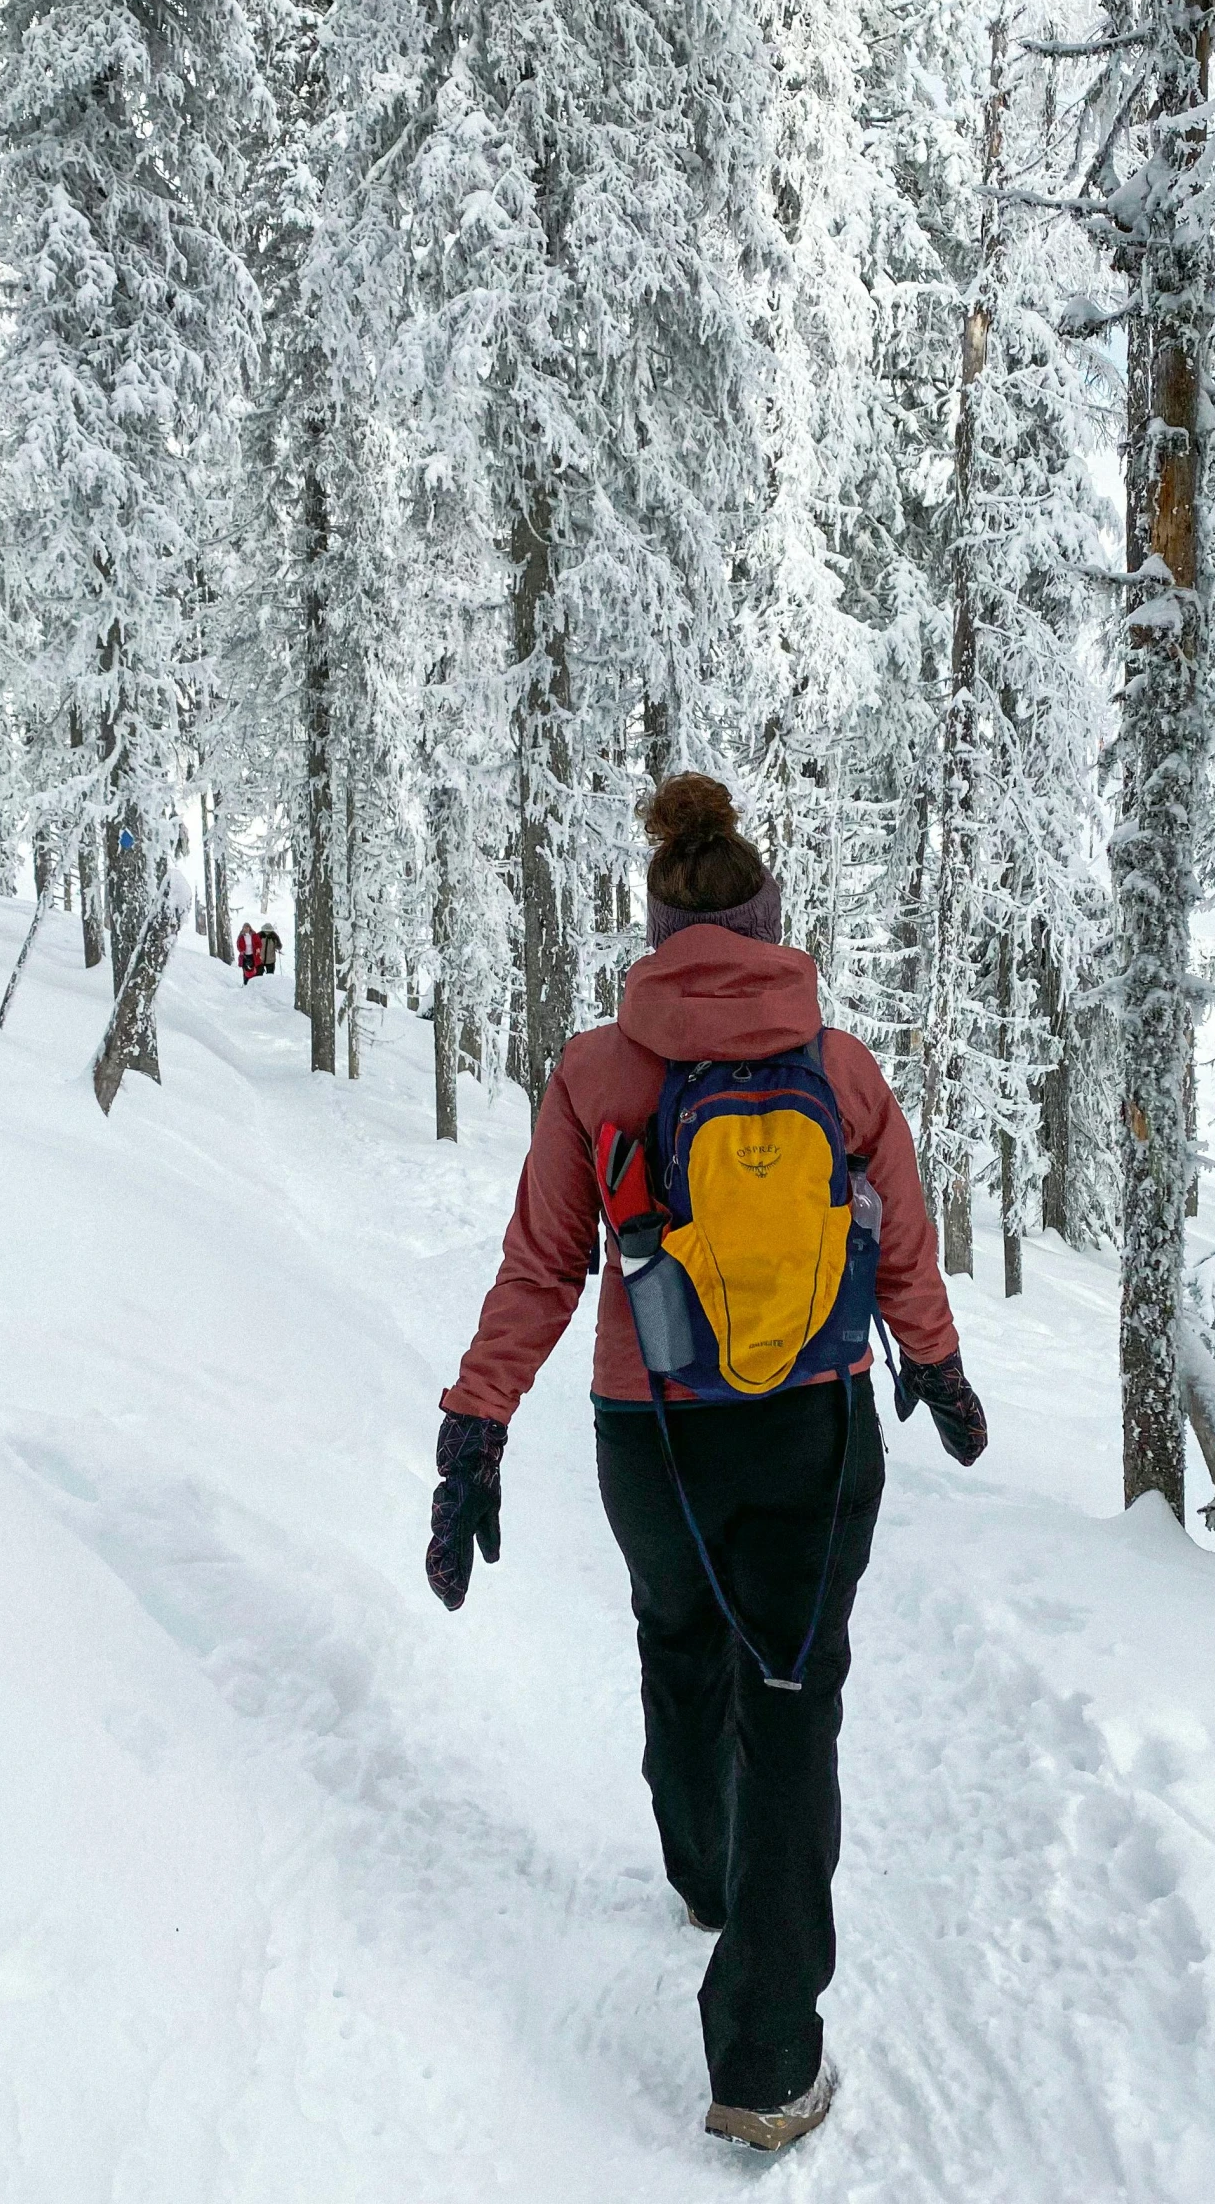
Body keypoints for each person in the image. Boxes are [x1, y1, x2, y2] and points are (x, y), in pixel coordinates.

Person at [428, 775, 986, 2152]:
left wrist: (474, 1432)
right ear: (767, 916)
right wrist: (941, 1369)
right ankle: (767, 2061)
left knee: (679, 1641)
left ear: (661, 922)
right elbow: (903, 1247)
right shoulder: (842, 1070)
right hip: (811, 1424)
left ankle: (703, 1876)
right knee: (791, 1706)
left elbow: (540, 1271)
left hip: (653, 1434)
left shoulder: (597, 1072)